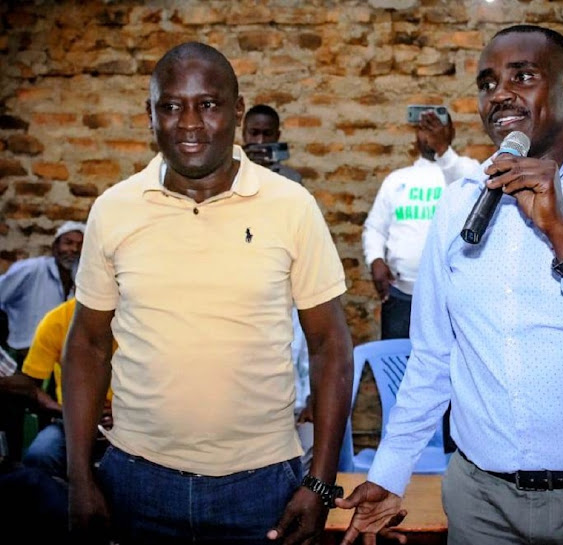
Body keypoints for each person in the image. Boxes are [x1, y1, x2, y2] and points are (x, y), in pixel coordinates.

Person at [337, 24, 563, 545]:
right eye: (487, 83)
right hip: (483, 508)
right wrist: (390, 472)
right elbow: (433, 357)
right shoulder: (459, 205)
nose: (500, 94)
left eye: (522, 76)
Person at [63, 41, 352, 544]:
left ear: (237, 110)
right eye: (171, 106)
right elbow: (86, 345)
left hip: (261, 486)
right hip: (136, 481)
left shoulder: (291, 207)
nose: (190, 123)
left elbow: (330, 346)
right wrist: (80, 478)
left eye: (209, 104)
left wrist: (320, 484)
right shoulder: (114, 210)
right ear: (149, 114)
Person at [362, 109, 480, 340]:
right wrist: (375, 260)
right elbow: (375, 228)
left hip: (450, 299)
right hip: (402, 296)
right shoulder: (397, 179)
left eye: (436, 127)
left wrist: (443, 150)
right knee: (398, 368)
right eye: (423, 128)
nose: (429, 134)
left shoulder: (468, 170)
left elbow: (473, 194)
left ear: (451, 132)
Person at [242, 102, 314, 474]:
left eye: (266, 135)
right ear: (242, 135)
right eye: (252, 134)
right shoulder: (226, 176)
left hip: (283, 289)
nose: (258, 141)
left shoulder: (292, 181)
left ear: (277, 137)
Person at [17, 298, 115, 480]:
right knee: (40, 455)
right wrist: (67, 411)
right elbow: (30, 385)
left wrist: (123, 414)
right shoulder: (57, 320)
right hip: (68, 421)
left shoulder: (139, 322)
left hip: (129, 424)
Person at [0, 220, 85, 363]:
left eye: (80, 245)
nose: (74, 249)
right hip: (22, 357)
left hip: (55, 360)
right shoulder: (32, 269)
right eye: (68, 243)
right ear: (55, 246)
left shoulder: (80, 281)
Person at [242, 103, 302, 183]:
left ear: (277, 136)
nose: (260, 141)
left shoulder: (291, 179)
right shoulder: (229, 174)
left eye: (268, 134)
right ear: (244, 134)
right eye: (254, 133)